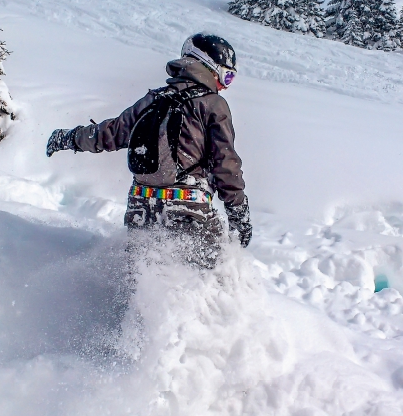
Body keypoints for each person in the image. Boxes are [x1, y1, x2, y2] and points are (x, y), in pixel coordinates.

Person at [47, 33, 252, 268]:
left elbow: (109, 133)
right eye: (226, 76)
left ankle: (137, 303)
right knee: (215, 273)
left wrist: (69, 138)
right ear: (207, 67)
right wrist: (238, 211)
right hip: (188, 206)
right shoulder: (213, 104)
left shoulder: (153, 99)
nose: (224, 87)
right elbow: (225, 162)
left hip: (141, 203)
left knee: (142, 274)